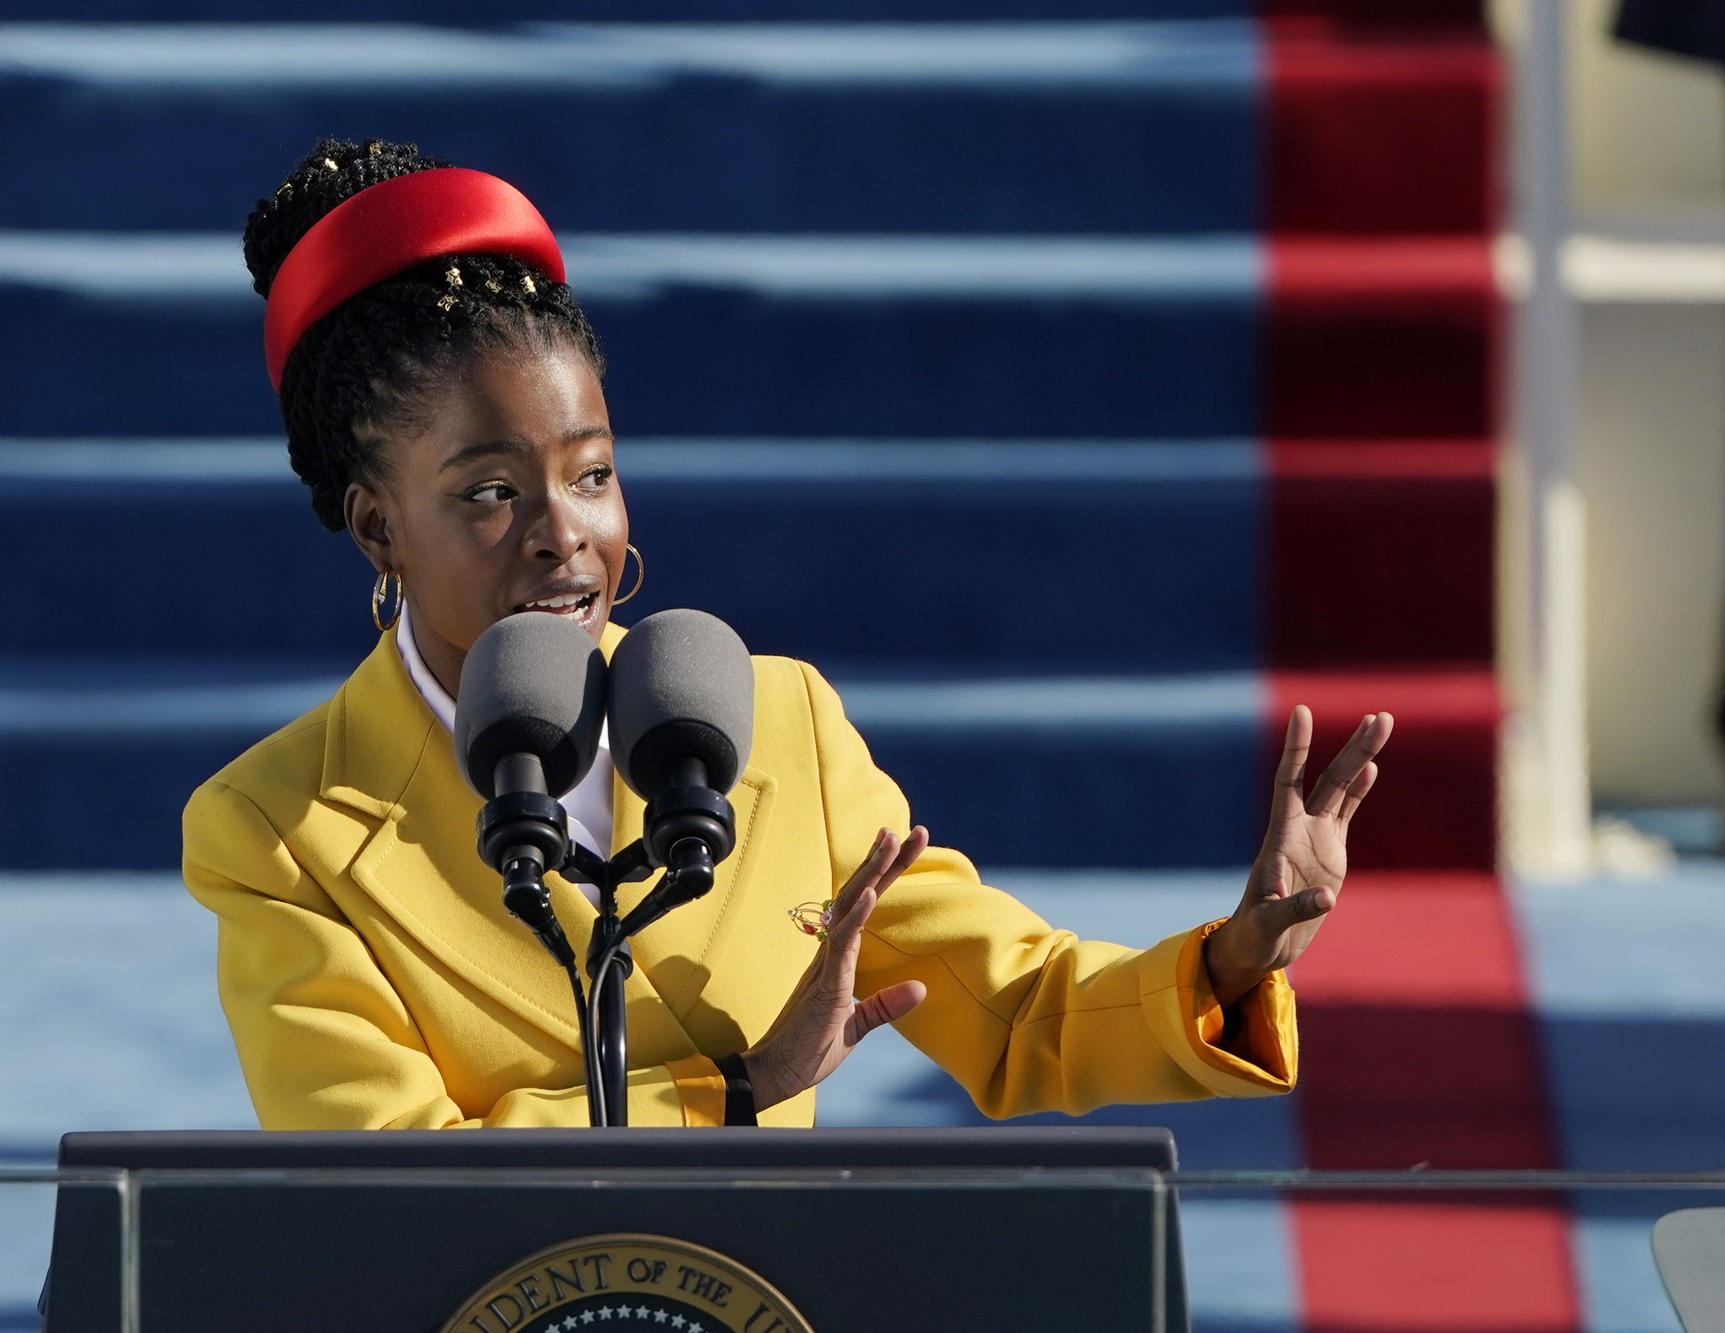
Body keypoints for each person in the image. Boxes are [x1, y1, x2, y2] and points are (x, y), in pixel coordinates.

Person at [183, 138, 1394, 1130]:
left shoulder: (773, 727)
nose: (566, 535)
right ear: (374, 526)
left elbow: (1018, 1012)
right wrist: (740, 1093)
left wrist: (1232, 963)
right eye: (491, 492)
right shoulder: (280, 831)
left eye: (591, 473)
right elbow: (381, 1190)